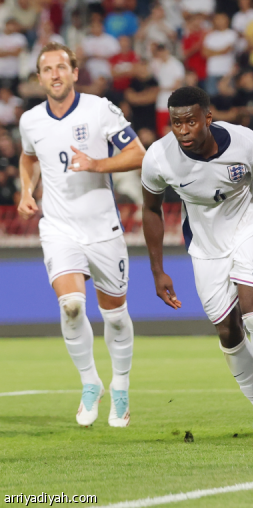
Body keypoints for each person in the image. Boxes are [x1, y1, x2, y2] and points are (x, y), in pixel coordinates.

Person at [140, 86, 253, 448]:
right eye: (176, 123)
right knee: (228, 331)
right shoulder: (159, 158)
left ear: (208, 118)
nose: (183, 130)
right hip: (205, 248)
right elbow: (150, 209)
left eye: (191, 121)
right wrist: (157, 269)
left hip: (247, 229)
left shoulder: (246, 142)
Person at [17, 42, 146, 428]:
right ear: (39, 78)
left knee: (116, 317)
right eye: (47, 69)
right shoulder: (30, 121)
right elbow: (28, 157)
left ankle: (120, 385)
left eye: (61, 67)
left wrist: (97, 164)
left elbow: (138, 153)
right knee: (71, 306)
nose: (54, 74)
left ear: (74, 72)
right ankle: (91, 383)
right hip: (58, 227)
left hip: (103, 228)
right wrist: (26, 191)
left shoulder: (99, 109)